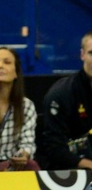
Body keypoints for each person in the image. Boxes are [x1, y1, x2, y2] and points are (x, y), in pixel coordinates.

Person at [37, 30, 92, 170]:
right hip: (69, 174)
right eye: (91, 53)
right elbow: (54, 149)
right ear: (82, 55)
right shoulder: (62, 93)